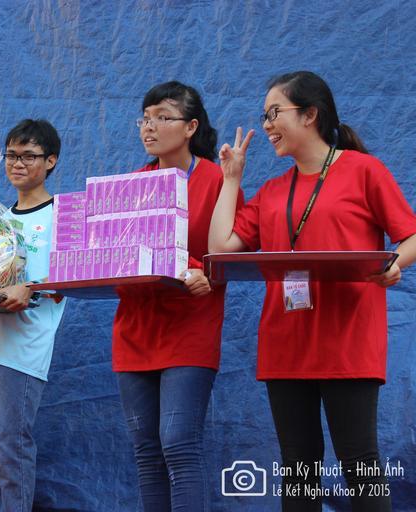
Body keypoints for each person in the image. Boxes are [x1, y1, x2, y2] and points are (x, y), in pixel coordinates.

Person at [209, 70, 416, 511]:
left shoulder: (364, 171)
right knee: (298, 466)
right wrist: (231, 179)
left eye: (275, 113)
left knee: (359, 463)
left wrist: (394, 264)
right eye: (264, 116)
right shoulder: (271, 191)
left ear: (310, 115)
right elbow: (220, 248)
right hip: (285, 343)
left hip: (348, 340)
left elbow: (410, 235)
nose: (267, 125)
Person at [112, 81, 242, 511]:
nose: (149, 127)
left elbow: (231, 252)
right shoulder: (130, 185)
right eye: (145, 118)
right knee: (146, 451)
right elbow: (115, 255)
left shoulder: (218, 180)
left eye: (162, 118)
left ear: (190, 127)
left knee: (179, 443)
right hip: (135, 329)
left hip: (191, 327)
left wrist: (208, 275)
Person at [0, 119, 67, 511]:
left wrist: (32, 287)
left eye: (28, 156)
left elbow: (74, 277)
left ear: (51, 160)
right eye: (11, 155)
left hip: (24, 346)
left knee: (11, 445)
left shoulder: (63, 215)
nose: (17, 163)